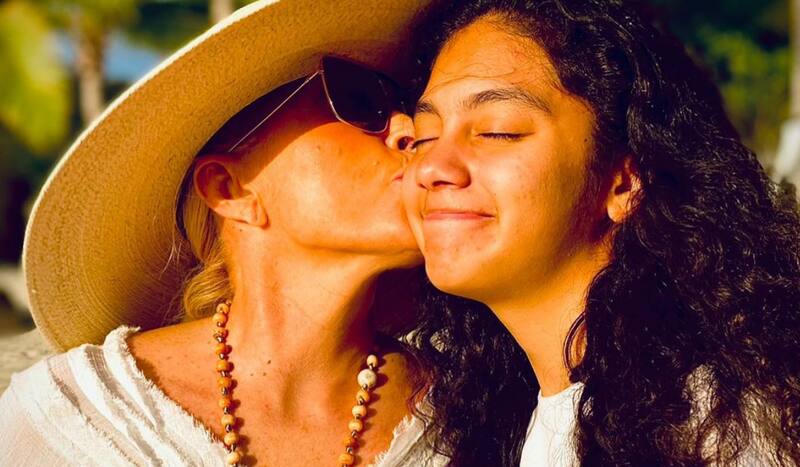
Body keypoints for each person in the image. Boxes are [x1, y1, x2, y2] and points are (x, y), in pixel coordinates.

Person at [0, 1, 450, 466]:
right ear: (229, 189)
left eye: (412, 107)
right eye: (360, 99)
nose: (409, 129)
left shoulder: (466, 416)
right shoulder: (73, 420)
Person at [403, 0, 800, 465]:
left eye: (497, 131)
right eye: (423, 138)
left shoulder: (719, 427)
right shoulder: (497, 418)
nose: (431, 167)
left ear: (624, 183)